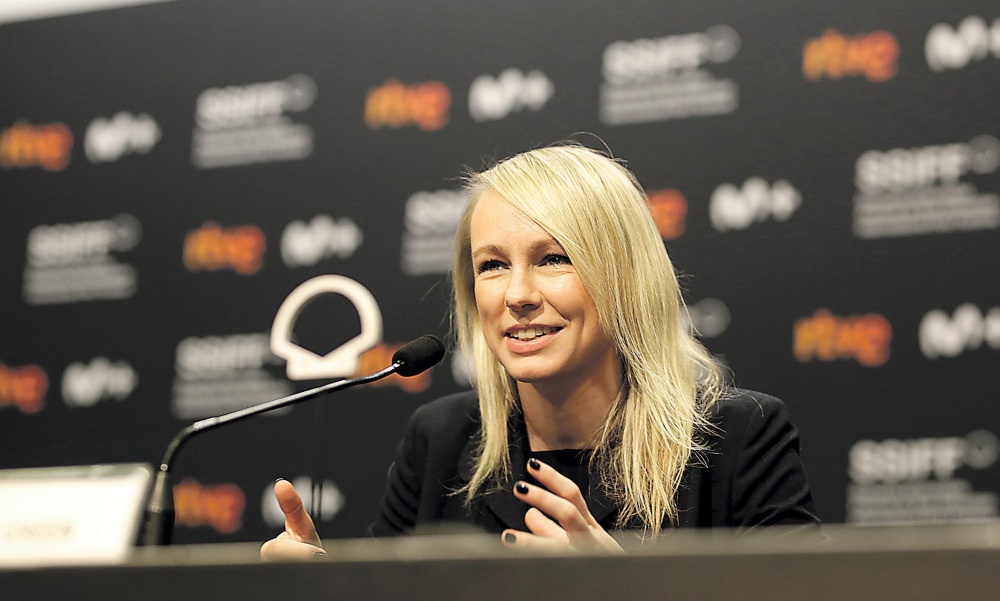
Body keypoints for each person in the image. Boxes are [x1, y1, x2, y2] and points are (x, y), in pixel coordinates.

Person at [260, 144, 819, 560]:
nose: (518, 295)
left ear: (624, 277)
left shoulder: (738, 437)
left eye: (553, 259)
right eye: (492, 265)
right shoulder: (440, 441)